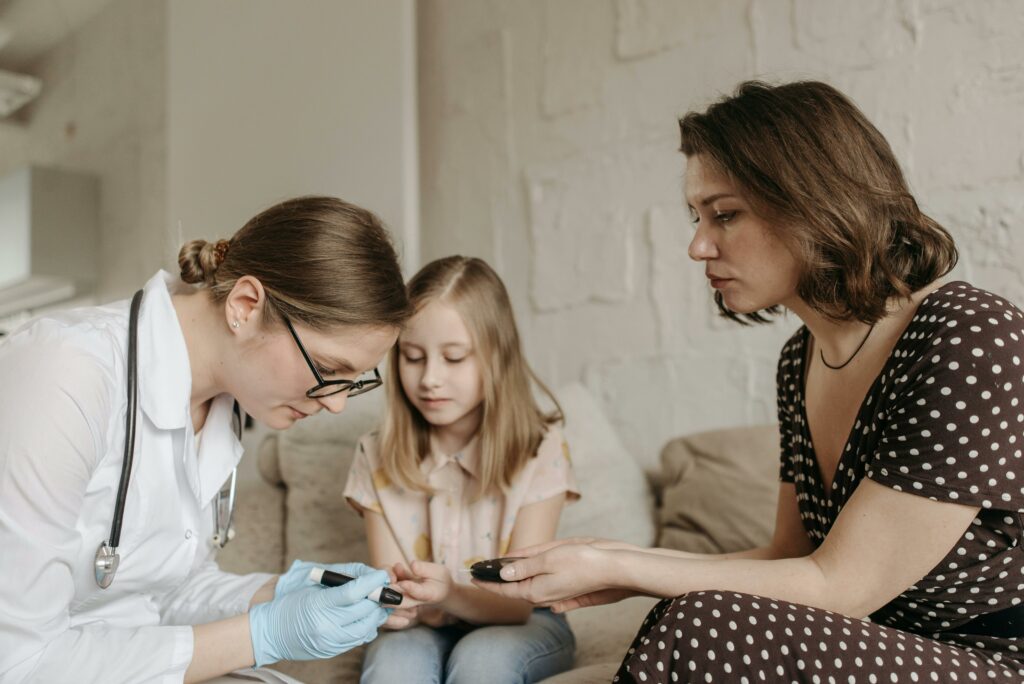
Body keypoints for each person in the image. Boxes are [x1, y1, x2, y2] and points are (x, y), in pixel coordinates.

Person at [475, 81, 1024, 682]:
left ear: (814, 201)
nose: (697, 245)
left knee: (705, 625)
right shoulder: (800, 360)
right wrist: (614, 562)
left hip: (986, 660)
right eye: (697, 217)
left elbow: (841, 583)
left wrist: (620, 566)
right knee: (689, 611)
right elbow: (790, 558)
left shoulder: (970, 338)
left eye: (725, 214)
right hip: (868, 644)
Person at [0, 196, 412, 683]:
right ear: (245, 306)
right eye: (327, 370)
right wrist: (265, 634)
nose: (337, 403)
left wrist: (280, 594)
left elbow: (165, 592)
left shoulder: (223, 403)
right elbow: (19, 662)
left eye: (356, 380)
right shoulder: (66, 373)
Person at [343, 255, 579, 684]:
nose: (430, 378)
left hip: (521, 621)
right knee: (395, 666)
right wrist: (391, 605)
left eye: (454, 358)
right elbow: (394, 595)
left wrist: (449, 594)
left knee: (481, 662)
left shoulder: (539, 450)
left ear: (497, 357)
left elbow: (517, 603)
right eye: (413, 357)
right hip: (422, 627)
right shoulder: (375, 453)